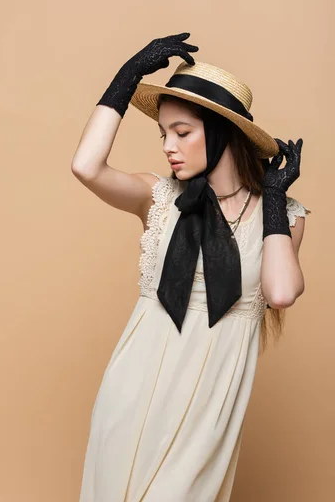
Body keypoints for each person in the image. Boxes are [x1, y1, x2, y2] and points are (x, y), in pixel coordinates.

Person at [72, 33, 311, 501]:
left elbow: (280, 293)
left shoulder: (283, 217)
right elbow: (86, 167)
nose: (169, 147)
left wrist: (276, 201)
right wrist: (126, 78)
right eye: (164, 134)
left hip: (209, 399)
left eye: (183, 132)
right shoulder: (157, 197)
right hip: (135, 385)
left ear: (222, 133)